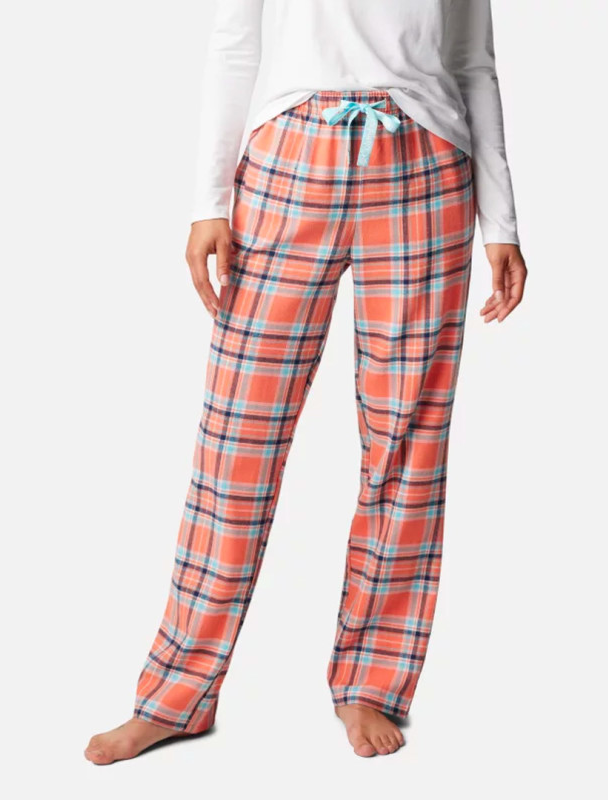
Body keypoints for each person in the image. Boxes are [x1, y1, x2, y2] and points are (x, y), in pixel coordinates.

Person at [85, 0, 527, 763]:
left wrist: (503, 223)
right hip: (289, 160)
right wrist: (207, 203)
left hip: (425, 167)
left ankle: (372, 682)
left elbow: (472, 64)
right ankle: (177, 694)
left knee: (406, 444)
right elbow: (234, 45)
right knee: (237, 444)